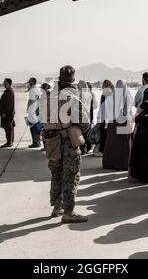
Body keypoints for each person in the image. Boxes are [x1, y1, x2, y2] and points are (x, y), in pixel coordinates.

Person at [42, 65, 90, 223]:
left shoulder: (49, 97)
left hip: (52, 141)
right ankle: (68, 212)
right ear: (73, 80)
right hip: (68, 142)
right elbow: (85, 123)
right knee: (70, 176)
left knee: (56, 174)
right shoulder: (72, 97)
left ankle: (57, 207)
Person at [103, 80, 133, 171]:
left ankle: (111, 163)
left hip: (115, 122)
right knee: (123, 144)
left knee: (113, 143)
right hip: (125, 122)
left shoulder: (114, 97)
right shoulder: (129, 96)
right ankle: (123, 163)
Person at [129, 101, 148, 183]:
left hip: (141, 137)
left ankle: (140, 175)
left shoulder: (142, 116)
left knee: (140, 156)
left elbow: (135, 119)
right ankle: (147, 176)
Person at [96, 80, 115, 155]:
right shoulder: (111, 91)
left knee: (103, 133)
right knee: (105, 132)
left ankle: (101, 150)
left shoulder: (106, 91)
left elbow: (103, 105)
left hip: (104, 115)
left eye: (103, 84)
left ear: (105, 84)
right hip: (108, 115)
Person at [0, 78, 15, 148]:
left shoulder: (9, 91)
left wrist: (4, 112)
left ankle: (9, 142)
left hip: (7, 114)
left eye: (5, 83)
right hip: (8, 113)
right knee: (9, 127)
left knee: (8, 127)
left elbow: (8, 104)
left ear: (8, 83)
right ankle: (10, 141)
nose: (3, 84)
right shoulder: (8, 91)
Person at [26, 77, 42, 148]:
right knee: (37, 126)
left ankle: (35, 143)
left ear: (32, 82)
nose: (28, 84)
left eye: (29, 82)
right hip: (37, 111)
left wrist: (27, 109)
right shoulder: (38, 89)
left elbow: (31, 101)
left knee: (33, 127)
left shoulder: (32, 90)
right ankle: (38, 142)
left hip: (32, 111)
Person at [78, 80, 93, 155]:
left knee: (82, 133)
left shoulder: (80, 94)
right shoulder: (89, 94)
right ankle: (89, 148)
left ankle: (82, 149)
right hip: (88, 115)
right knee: (87, 132)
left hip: (82, 115)